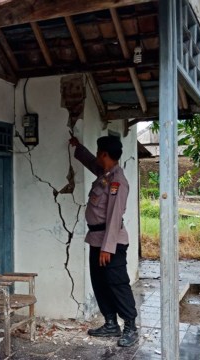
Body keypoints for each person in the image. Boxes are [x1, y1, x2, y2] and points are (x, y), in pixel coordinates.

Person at [69, 134, 139, 347]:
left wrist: (107, 248)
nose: (97, 156)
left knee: (117, 284)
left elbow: (114, 217)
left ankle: (130, 326)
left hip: (112, 242)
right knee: (99, 282)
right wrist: (78, 148)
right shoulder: (105, 174)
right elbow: (92, 162)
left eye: (99, 153)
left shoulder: (118, 181)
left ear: (105, 154)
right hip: (97, 239)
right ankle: (110, 323)